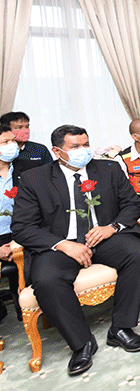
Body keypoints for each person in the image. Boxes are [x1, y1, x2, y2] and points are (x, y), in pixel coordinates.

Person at [11, 124, 140, 376]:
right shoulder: (35, 179)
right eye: (75, 147)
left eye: (86, 145)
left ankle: (121, 328)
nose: (83, 150)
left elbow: (132, 205)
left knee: (137, 252)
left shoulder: (109, 169)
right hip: (60, 245)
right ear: (57, 151)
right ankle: (82, 343)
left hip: (104, 237)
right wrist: (63, 244)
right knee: (46, 280)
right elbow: (22, 227)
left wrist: (112, 227)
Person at [0, 124, 37, 323]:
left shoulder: (29, 169)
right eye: (5, 142)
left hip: (25, 232)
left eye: (13, 140)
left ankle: (29, 309)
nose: (12, 145)